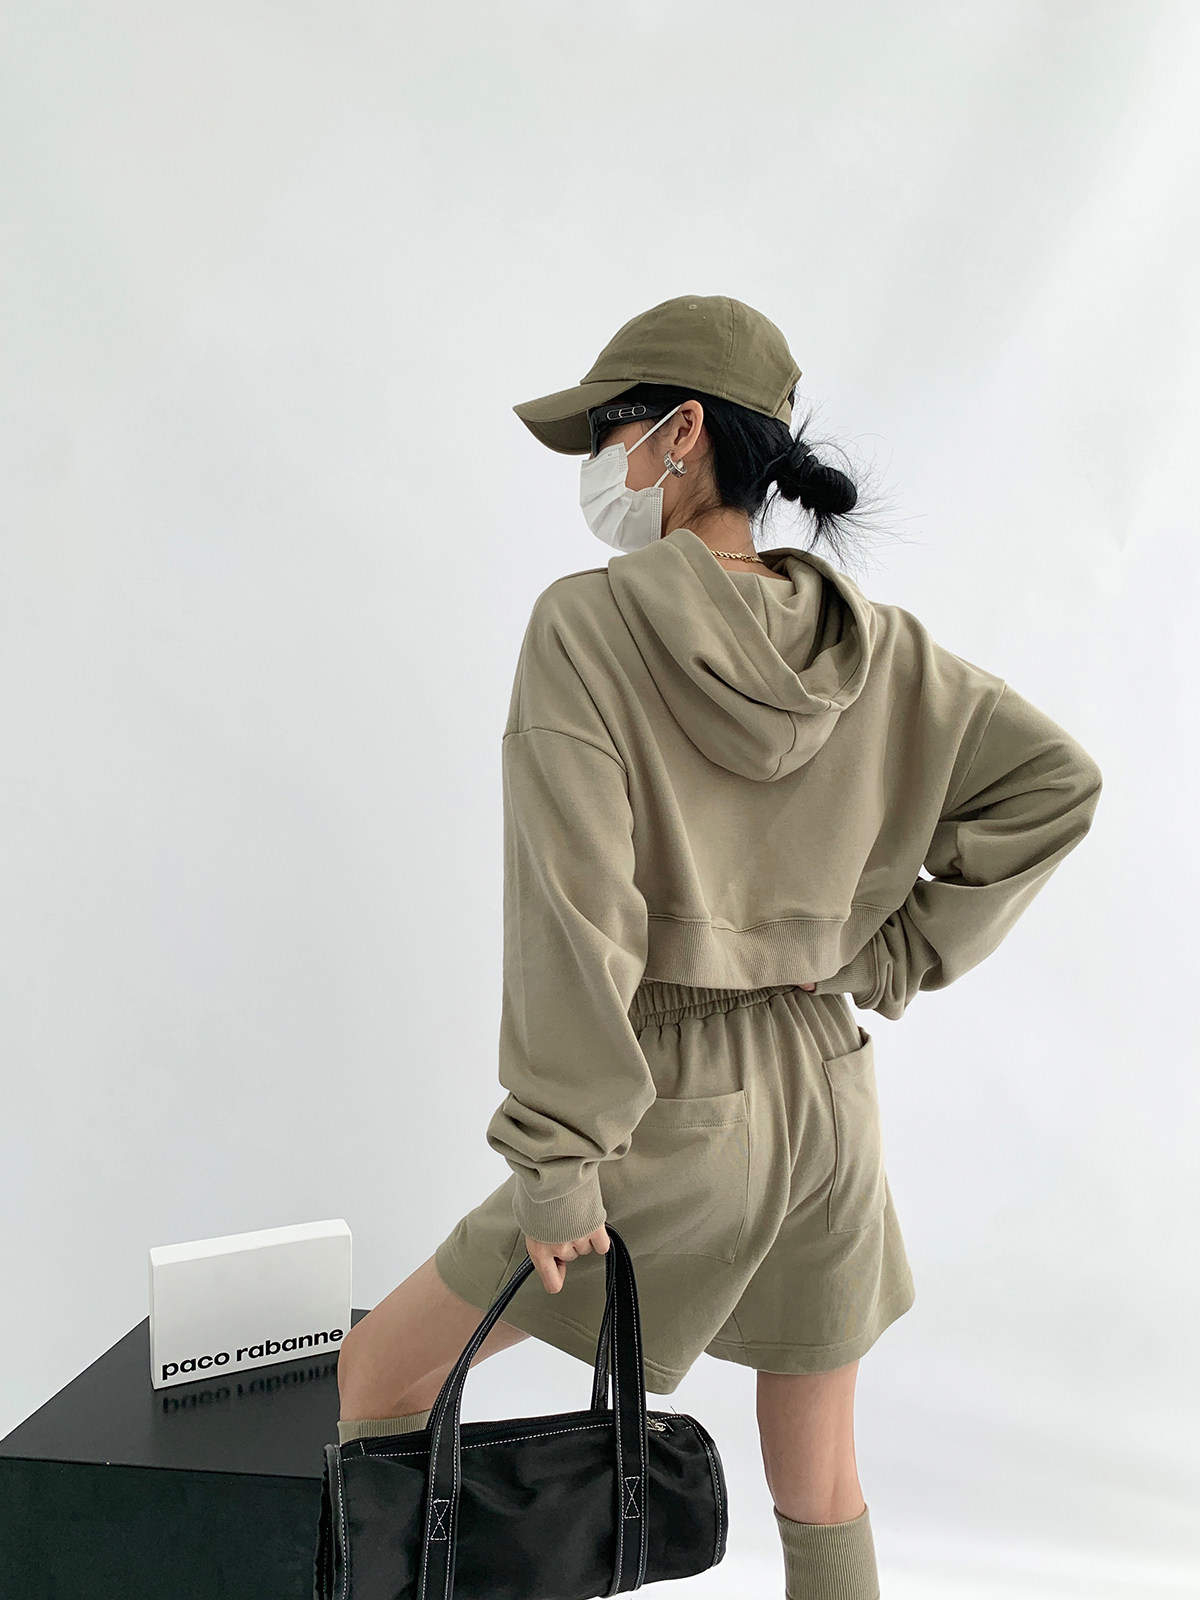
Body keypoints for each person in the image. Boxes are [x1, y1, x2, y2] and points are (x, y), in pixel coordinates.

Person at [334, 295, 1103, 1600]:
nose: (599, 461)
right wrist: (884, 957)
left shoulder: (586, 628)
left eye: (609, 430)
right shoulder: (881, 653)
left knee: (375, 1379)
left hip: (664, 1107)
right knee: (822, 1483)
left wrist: (560, 1159)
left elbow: (575, 916)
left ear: (682, 431)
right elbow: (1056, 785)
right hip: (829, 1098)